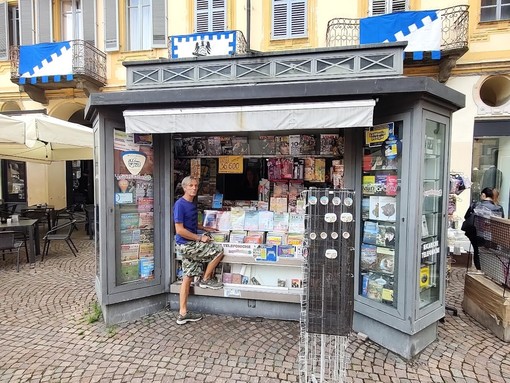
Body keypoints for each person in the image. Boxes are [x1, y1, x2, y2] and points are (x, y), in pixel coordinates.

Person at [173, 175, 224, 325]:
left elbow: (190, 225)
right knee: (218, 250)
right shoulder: (180, 205)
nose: (194, 188)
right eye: (191, 186)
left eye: (196, 185)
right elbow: (180, 230)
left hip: (190, 244)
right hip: (187, 245)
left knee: (187, 277)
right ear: (184, 187)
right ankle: (206, 279)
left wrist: (204, 228)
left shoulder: (192, 204)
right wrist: (199, 238)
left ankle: (182, 314)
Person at [462, 187, 504, 270]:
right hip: (491, 235)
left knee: (477, 251)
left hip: (476, 234)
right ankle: (489, 270)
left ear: (483, 195)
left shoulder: (476, 205)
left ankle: (479, 269)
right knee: (489, 253)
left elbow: (466, 217)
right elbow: (501, 220)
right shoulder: (499, 208)